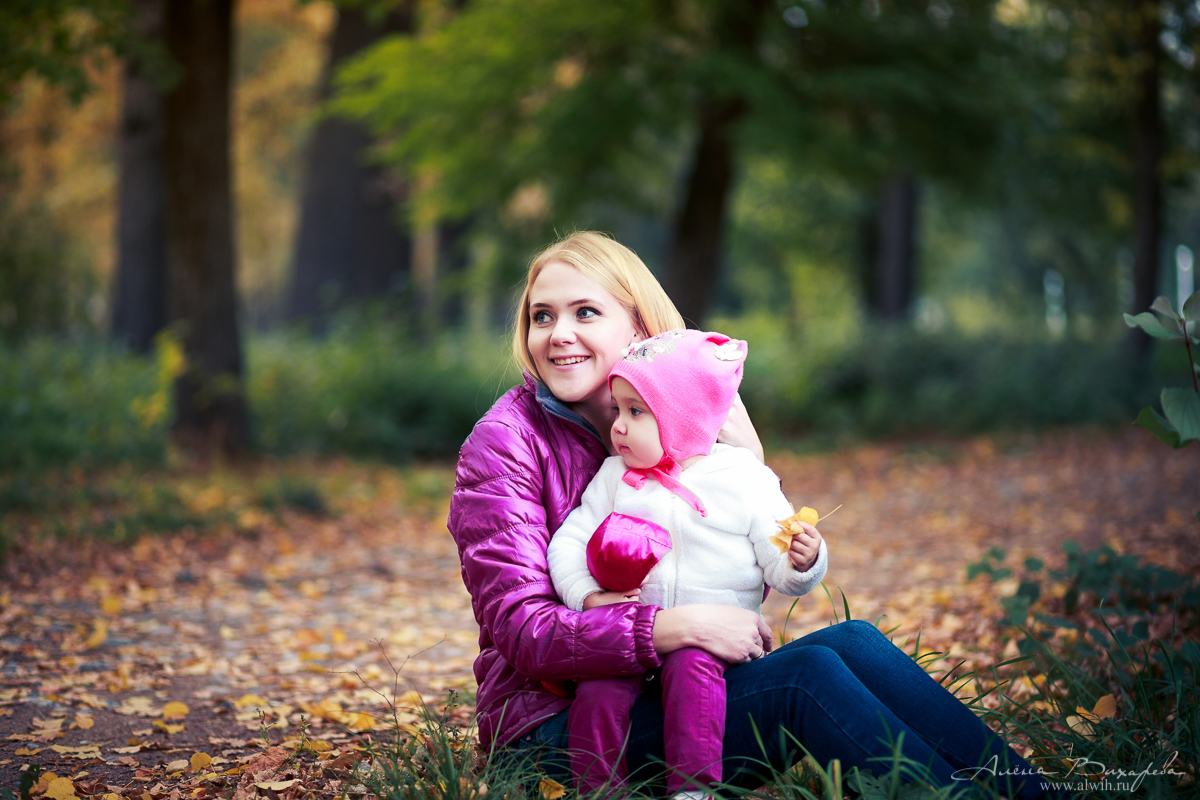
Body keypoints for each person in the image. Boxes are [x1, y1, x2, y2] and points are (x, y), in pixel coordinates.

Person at [448, 231, 1058, 799]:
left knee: (856, 642)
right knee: (805, 677)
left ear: (638, 327)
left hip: (678, 688)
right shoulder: (504, 443)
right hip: (566, 730)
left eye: (585, 312)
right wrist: (676, 626)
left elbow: (733, 568)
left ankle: (1032, 792)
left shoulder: (674, 416)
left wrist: (748, 459)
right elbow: (526, 632)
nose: (558, 333)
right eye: (541, 315)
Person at [545, 327, 828, 799]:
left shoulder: (743, 479)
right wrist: (588, 596)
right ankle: (598, 790)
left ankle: (693, 789)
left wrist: (804, 560)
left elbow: (780, 567)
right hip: (629, 637)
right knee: (596, 693)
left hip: (712, 644)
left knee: (693, 675)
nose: (618, 425)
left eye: (637, 412)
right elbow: (568, 542)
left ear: (685, 417)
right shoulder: (615, 477)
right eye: (618, 409)